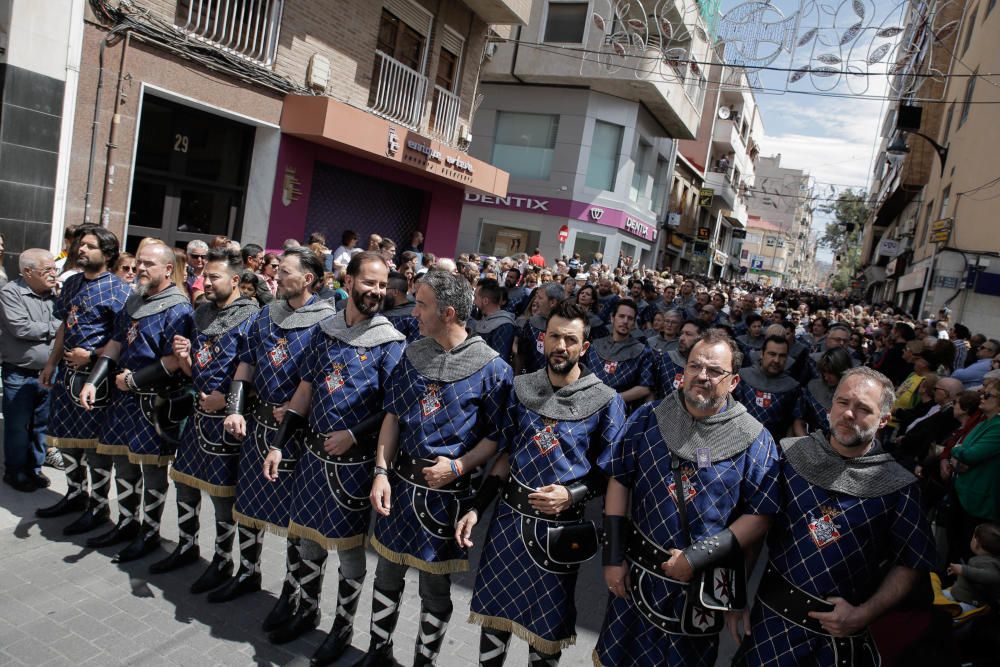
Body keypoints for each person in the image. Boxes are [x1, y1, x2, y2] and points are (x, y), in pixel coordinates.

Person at [595, 328, 781, 666]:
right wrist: (612, 555)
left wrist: (696, 557)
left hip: (699, 588)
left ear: (734, 381)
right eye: (695, 366)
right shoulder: (648, 417)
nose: (702, 376)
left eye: (715, 370)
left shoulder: (755, 439)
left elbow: (761, 515)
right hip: (636, 575)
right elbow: (619, 481)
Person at [357, 270, 513, 666]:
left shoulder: (493, 368)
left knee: (434, 588)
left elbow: (497, 438)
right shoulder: (414, 352)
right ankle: (379, 653)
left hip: (445, 499)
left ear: (447, 312)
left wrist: (458, 466)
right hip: (400, 487)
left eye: (422, 304)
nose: (414, 312)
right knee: (387, 576)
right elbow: (393, 415)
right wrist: (380, 471)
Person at [458, 301, 626, 665]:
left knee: (545, 632)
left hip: (559, 532)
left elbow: (611, 473)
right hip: (507, 524)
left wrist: (573, 493)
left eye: (570, 339)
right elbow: (503, 454)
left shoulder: (606, 401)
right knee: (494, 621)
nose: (560, 346)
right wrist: (476, 507)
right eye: (554, 337)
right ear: (542, 340)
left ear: (584, 347)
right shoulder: (520, 388)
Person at [734, 367, 937, 667]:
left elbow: (912, 562)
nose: (849, 414)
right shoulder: (790, 457)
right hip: (770, 625)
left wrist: (862, 615)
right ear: (831, 407)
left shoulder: (899, 486)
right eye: (843, 402)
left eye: (863, 408)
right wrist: (736, 597)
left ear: (883, 420)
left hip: (835, 642)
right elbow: (756, 527)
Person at [262, 252, 406, 660]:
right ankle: (306, 610)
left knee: (347, 551)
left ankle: (342, 627)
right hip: (312, 457)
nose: (377, 292)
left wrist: (353, 436)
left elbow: (393, 410)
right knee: (306, 539)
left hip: (353, 466)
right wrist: (279, 442)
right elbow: (305, 391)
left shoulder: (390, 343)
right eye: (370, 283)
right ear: (349, 280)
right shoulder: (323, 331)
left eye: (383, 285)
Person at [217, 248, 335, 622]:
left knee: (294, 522)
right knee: (248, 507)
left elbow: (327, 380)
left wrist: (302, 408)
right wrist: (235, 408)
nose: (275, 277)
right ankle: (247, 571)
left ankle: (292, 590)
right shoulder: (266, 313)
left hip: (296, 435)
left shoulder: (327, 322)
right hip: (258, 425)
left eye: (284, 272)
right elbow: (246, 364)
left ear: (308, 279)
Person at [150, 248, 260, 595]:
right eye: (205, 276)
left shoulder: (254, 318)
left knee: (224, 500)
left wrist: (227, 401)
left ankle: (226, 561)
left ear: (236, 280)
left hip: (229, 423)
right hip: (197, 420)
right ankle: (187, 545)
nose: (205, 282)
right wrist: (183, 359)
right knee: (184, 485)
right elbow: (194, 372)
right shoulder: (200, 314)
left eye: (214, 277)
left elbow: (259, 375)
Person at [80, 243, 195, 562]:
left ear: (167, 269)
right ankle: (127, 523)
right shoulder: (133, 299)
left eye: (148, 264)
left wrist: (134, 380)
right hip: (122, 398)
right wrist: (93, 380)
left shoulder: (179, 307)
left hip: (154, 399)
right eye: (138, 262)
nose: (140, 268)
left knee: (152, 470)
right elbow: (116, 343)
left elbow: (175, 359)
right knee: (122, 462)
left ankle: (149, 532)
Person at [37, 227, 131, 535]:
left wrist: (91, 355)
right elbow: (65, 324)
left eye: (90, 246)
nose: (82, 250)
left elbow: (123, 340)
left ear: (106, 254)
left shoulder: (119, 290)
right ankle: (75, 495)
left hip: (96, 380)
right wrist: (52, 362)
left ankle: (98, 506)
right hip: (65, 376)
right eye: (82, 244)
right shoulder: (73, 282)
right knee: (67, 443)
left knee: (94, 448)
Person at [0, 249, 59, 492]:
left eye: (54, 269)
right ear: (27, 272)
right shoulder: (10, 292)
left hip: (49, 371)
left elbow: (70, 322)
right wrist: (57, 327)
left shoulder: (57, 294)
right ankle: (15, 472)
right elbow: (21, 328)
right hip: (19, 372)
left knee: (41, 425)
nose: (54, 275)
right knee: (18, 426)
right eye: (47, 271)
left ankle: (34, 469)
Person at [947, 377, 1000, 562]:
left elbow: (969, 453)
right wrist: (959, 451)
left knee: (967, 549)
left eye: (988, 395)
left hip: (978, 501)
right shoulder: (984, 422)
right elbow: (960, 446)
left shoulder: (998, 427)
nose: (982, 398)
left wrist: (958, 451)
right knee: (954, 543)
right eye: (982, 393)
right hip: (963, 491)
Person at [584, 300, 655, 410]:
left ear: (634, 323)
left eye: (630, 318)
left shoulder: (643, 352)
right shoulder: (594, 346)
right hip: (587, 404)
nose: (625, 321)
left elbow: (645, 388)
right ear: (613, 318)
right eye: (621, 316)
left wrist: (612, 398)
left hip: (618, 410)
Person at [733, 334, 802, 440]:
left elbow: (793, 423)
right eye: (772, 354)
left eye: (782, 356)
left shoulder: (793, 387)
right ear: (762, 354)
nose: (776, 360)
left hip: (773, 446)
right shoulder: (741, 377)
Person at [793, 347, 853, 437]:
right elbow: (798, 421)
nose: (826, 377)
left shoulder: (855, 392)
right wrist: (805, 444)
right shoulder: (813, 388)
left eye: (831, 373)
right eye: (824, 372)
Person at [941, 522, 1000, 613]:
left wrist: (962, 570)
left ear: (976, 543)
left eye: (973, 537)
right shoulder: (983, 559)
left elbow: (992, 576)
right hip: (960, 594)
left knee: (948, 613)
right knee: (936, 594)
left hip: (971, 602)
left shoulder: (989, 563)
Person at [513, 283, 564, 375]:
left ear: (552, 302)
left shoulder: (569, 326)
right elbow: (521, 354)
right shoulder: (531, 323)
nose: (536, 301)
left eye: (540, 298)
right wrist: (517, 376)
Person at [472, 278, 517, 364]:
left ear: (485, 301)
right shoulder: (482, 317)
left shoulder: (504, 325)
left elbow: (499, 361)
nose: (474, 301)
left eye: (476, 297)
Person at [185, 240, 209, 304]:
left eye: (203, 256)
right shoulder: (183, 273)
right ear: (188, 255)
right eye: (195, 256)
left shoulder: (211, 274)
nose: (199, 260)